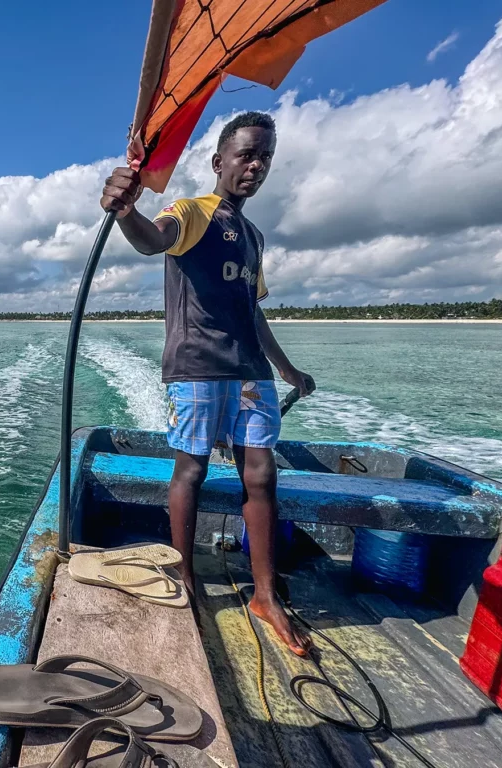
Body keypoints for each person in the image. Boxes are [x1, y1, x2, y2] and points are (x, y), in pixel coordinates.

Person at [99, 111, 315, 656]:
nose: (256, 165)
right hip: (196, 365)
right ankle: (186, 582)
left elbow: (253, 310)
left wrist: (288, 371)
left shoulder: (254, 236)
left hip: (250, 372)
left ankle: (265, 595)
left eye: (264, 156)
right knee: (191, 470)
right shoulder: (191, 212)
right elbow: (152, 240)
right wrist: (127, 211)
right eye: (246, 154)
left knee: (262, 474)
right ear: (220, 162)